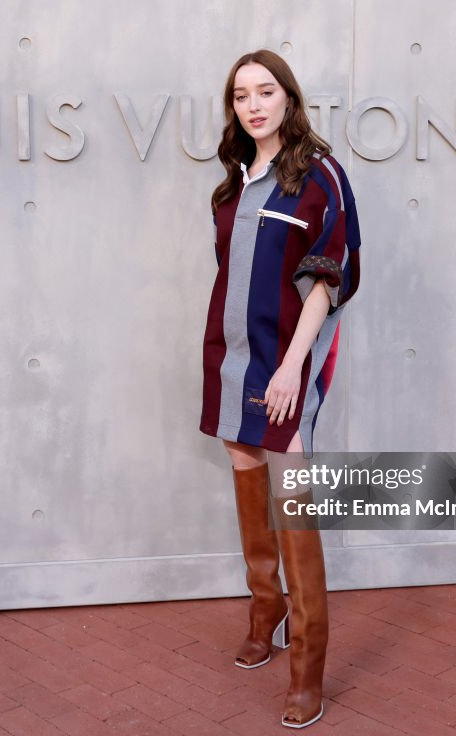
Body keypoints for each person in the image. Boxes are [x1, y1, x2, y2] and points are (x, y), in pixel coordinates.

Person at [199, 49, 361, 729]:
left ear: (289, 98)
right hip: (230, 356)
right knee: (243, 466)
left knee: (292, 494)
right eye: (242, 96)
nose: (254, 104)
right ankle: (265, 607)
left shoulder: (320, 176)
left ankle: (309, 663)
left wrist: (295, 366)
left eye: (267, 91)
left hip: (285, 361)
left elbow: (330, 274)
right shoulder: (235, 181)